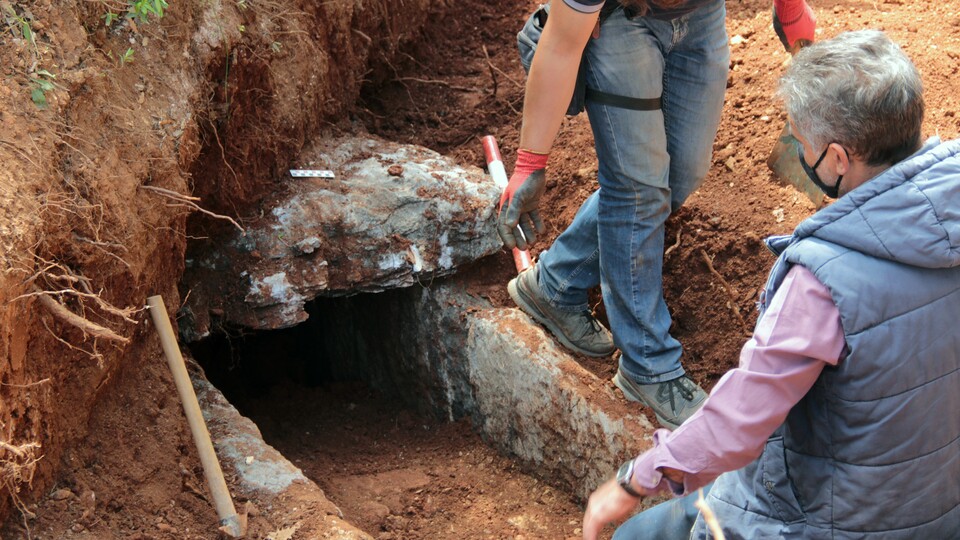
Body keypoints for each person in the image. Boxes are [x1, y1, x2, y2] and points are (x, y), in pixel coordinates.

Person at [580, 29, 960, 539]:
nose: (803, 156)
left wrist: (634, 479)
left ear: (838, 159)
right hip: (938, 503)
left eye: (803, 145)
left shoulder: (826, 282)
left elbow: (741, 421)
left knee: (637, 535)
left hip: (833, 520)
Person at [499, 0, 816, 429]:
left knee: (681, 173)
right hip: (616, 22)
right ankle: (648, 366)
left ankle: (555, 285)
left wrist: (791, 9)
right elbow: (560, 44)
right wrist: (529, 164)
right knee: (638, 188)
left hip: (702, 15)